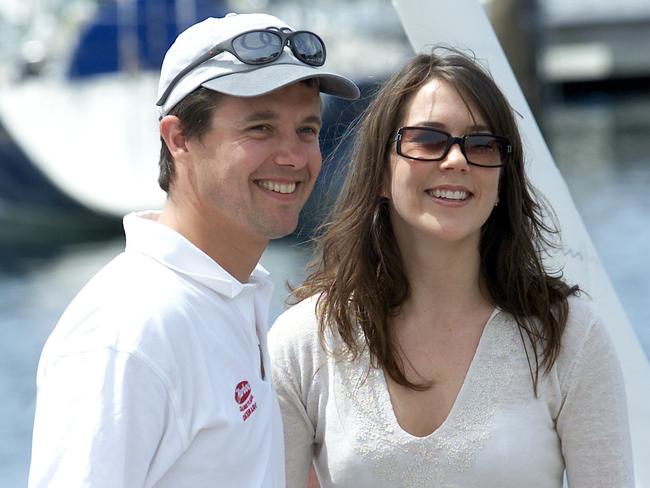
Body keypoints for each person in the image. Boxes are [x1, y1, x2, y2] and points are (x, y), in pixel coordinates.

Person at [269, 49, 634, 487]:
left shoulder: (567, 336)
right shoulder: (306, 340)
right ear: (382, 173)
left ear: (501, 181)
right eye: (428, 139)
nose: (457, 160)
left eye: (482, 145)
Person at [28, 12, 359, 488]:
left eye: (307, 129)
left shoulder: (228, 297)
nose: (293, 155)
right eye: (261, 128)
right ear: (178, 138)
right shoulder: (129, 332)